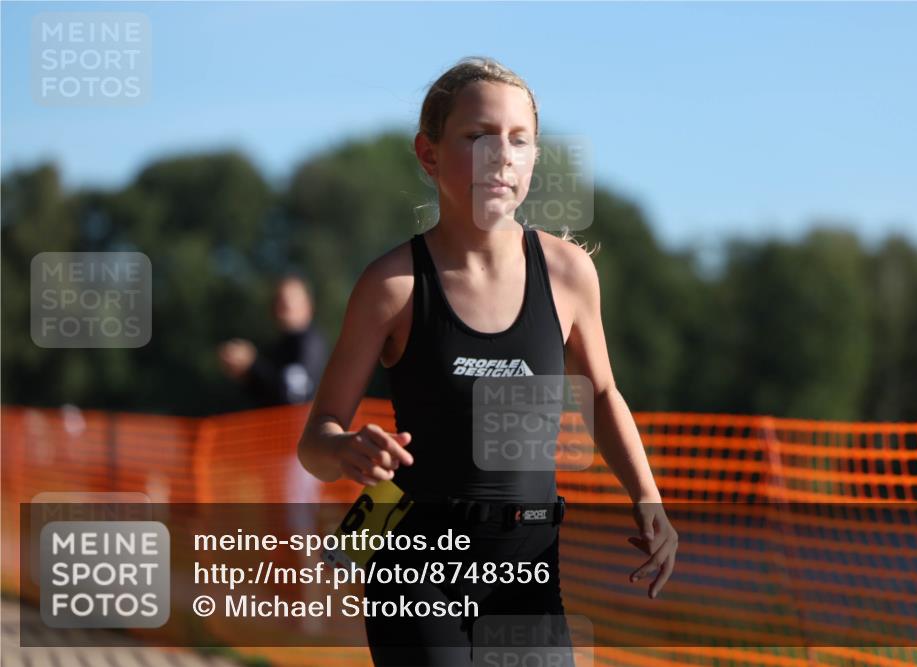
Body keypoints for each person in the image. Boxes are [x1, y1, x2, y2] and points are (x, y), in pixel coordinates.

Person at [297, 56, 678, 666]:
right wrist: (345, 450)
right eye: (477, 136)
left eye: (519, 139)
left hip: (526, 561)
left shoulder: (569, 274)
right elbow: (315, 441)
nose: (501, 154)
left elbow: (602, 394)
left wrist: (647, 497)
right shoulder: (392, 285)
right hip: (413, 556)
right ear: (429, 154)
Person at [218, 273, 329, 407]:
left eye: (290, 300)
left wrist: (253, 365)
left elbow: (294, 394)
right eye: (279, 300)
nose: (283, 306)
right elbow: (266, 397)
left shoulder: (310, 344)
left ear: (308, 306)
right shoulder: (277, 347)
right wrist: (245, 375)